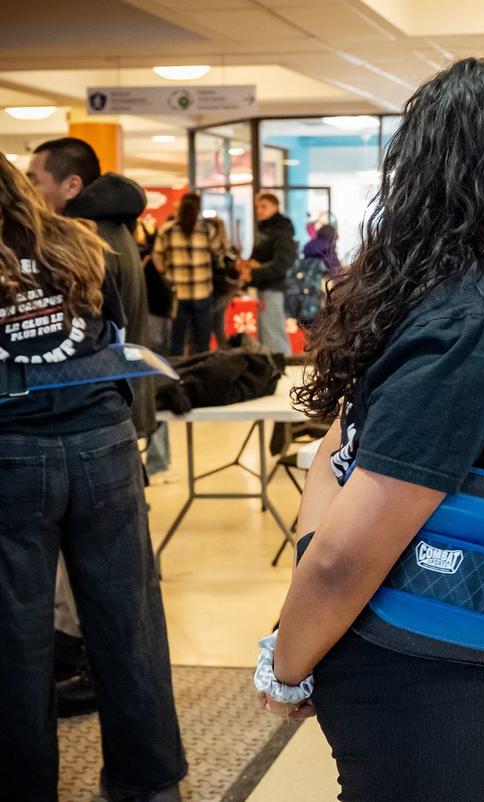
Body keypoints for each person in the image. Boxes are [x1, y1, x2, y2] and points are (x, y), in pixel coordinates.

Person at [255, 58, 484, 802]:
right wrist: (288, 663)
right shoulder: (474, 324)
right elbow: (345, 553)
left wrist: (308, 614)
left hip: (478, 627)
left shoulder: (427, 294)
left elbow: (336, 457)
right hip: (418, 652)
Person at [0, 154, 187, 801]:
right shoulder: (79, 245)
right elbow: (111, 336)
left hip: (14, 454)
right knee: (129, 623)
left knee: (17, 639)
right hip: (102, 444)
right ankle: (152, 785)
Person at [26, 137, 155, 716]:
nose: (33, 192)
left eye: (38, 179)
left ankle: (83, 670)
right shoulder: (113, 235)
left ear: (71, 185)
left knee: (94, 588)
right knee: (116, 591)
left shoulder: (84, 244)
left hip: (91, 425)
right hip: (114, 420)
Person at [153, 193, 223, 356]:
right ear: (199, 208)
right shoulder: (206, 229)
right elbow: (219, 252)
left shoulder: (167, 229)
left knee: (176, 340)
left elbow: (157, 259)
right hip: (202, 292)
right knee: (202, 341)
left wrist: (167, 272)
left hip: (178, 294)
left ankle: (177, 375)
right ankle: (202, 375)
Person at [238, 192, 296, 354]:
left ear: (275, 207)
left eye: (264, 206)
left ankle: (280, 369)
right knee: (266, 334)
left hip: (273, 287)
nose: (260, 210)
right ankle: (271, 370)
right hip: (264, 287)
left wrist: (255, 272)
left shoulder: (281, 231)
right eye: (258, 207)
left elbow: (283, 263)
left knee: (273, 335)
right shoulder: (266, 229)